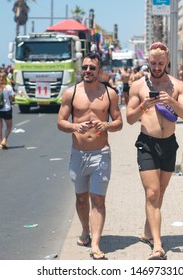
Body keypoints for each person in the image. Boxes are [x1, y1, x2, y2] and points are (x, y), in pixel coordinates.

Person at [126, 42, 183, 260]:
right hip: (147, 143)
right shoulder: (137, 86)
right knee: (152, 193)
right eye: (153, 63)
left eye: (160, 63)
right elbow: (129, 119)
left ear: (167, 62)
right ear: (148, 62)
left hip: (169, 144)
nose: (156, 67)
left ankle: (147, 230)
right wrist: (143, 105)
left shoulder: (177, 85)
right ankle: (158, 245)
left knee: (159, 193)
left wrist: (171, 100)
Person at [57, 53, 123, 260]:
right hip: (78, 154)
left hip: (101, 154)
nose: (87, 71)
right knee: (81, 198)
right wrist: (75, 126)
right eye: (85, 67)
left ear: (99, 71)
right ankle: (85, 230)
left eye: (92, 68)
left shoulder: (110, 94)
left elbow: (119, 122)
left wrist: (107, 125)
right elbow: (60, 121)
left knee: (98, 199)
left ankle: (95, 244)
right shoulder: (71, 93)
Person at [0, 71, 15, 149]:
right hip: (6, 109)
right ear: (5, 78)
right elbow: (11, 98)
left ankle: (0, 143)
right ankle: (4, 140)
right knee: (9, 126)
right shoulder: (8, 87)